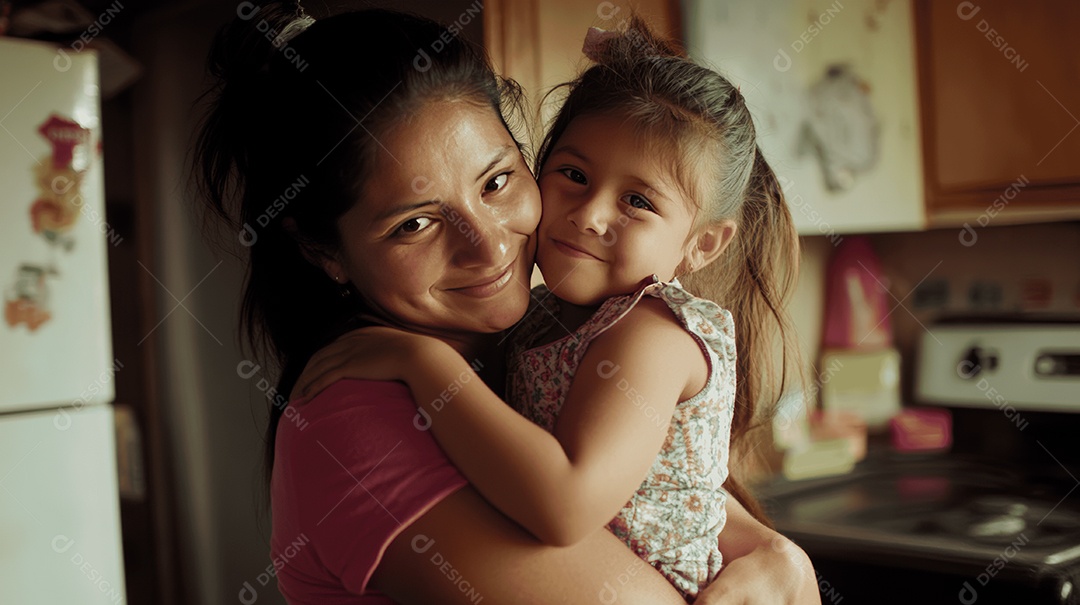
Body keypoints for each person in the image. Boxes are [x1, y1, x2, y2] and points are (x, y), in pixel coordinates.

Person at [196, 3, 818, 603]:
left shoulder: (547, 339)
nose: (489, 245)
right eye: (414, 224)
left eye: (496, 182)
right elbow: (571, 509)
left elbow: (659, 492)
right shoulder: (355, 421)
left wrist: (775, 553)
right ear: (322, 250)